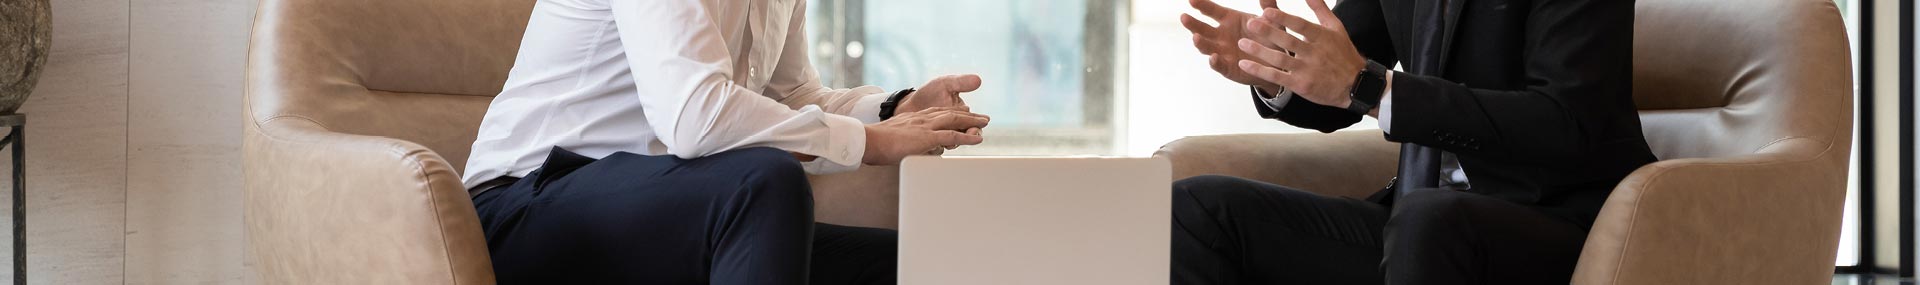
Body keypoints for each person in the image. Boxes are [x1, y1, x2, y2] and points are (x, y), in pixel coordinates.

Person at [460, 0, 991, 283]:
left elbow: (795, 95)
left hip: (671, 209)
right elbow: (695, 115)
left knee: (900, 265)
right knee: (764, 180)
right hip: (527, 206)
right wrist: (868, 142)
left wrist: (894, 112)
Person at [1171, 0, 1656, 283]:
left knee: (1429, 216)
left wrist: (1367, 85)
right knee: (1194, 209)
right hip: (1417, 227)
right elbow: (1341, 78)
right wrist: (1277, 69)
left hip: (1558, 223)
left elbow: (1566, 122)